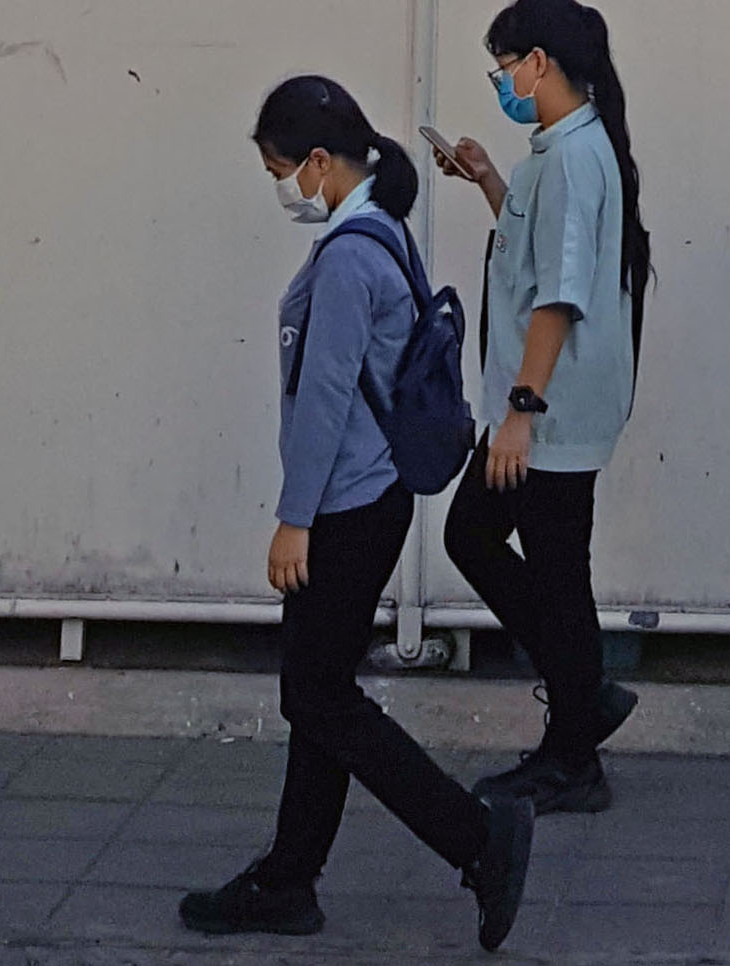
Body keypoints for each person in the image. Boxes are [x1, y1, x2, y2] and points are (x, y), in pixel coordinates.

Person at [180, 78, 533, 951]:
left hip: (342, 507)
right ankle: (287, 882)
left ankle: (477, 839)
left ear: (317, 162)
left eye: (279, 169)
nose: (280, 188)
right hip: (374, 499)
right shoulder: (385, 234)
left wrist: (293, 517)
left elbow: (325, 396)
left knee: (321, 698)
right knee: (317, 692)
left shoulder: (346, 258)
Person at [430, 0, 651, 818]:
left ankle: (575, 737)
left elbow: (557, 298)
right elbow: (531, 250)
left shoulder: (573, 158)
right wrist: (488, 179)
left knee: (513, 555)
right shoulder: (559, 148)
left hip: (550, 409)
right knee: (536, 565)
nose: (501, 82)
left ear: (539, 63)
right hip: (550, 404)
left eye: (503, 66)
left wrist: (520, 410)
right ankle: (579, 706)